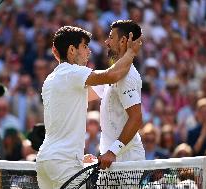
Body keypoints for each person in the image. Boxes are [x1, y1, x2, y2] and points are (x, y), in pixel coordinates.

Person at [36, 26, 142, 189]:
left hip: (45, 161)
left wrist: (77, 158)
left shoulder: (51, 79)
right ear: (72, 50)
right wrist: (131, 52)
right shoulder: (73, 73)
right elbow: (112, 75)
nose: (89, 52)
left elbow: (105, 86)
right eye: (85, 46)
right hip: (63, 164)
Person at [90, 20, 145, 169]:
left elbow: (136, 118)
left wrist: (113, 152)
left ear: (123, 41)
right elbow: (87, 96)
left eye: (111, 37)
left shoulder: (127, 76)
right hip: (112, 160)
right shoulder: (115, 73)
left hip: (125, 162)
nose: (106, 42)